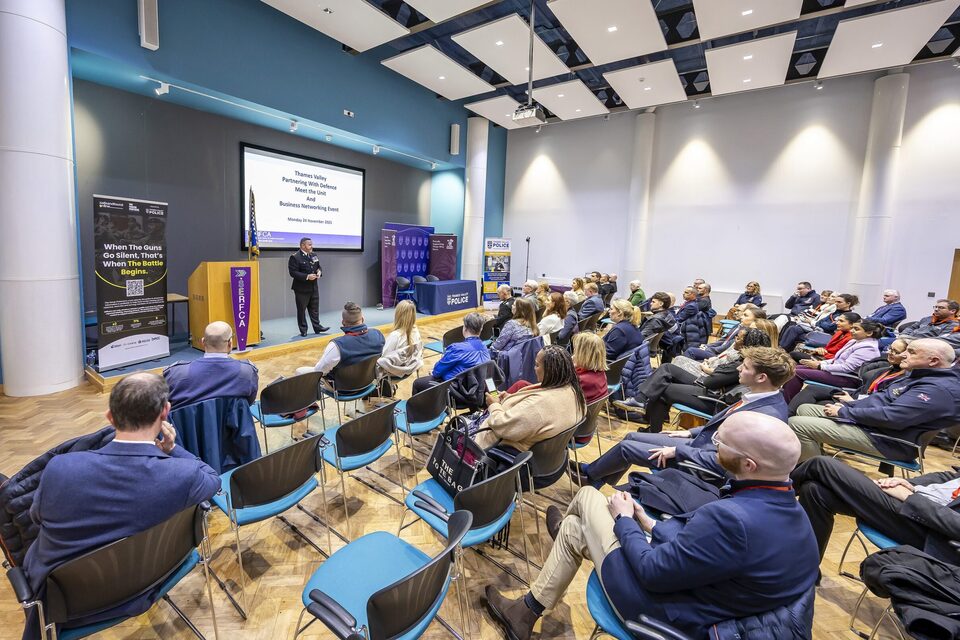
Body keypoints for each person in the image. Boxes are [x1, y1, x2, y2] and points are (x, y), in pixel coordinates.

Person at [485, 412, 819, 640]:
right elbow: (703, 552)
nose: (715, 444)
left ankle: (575, 534)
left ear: (748, 464)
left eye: (721, 443)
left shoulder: (732, 519)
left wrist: (624, 520)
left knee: (588, 496)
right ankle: (525, 612)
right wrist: (647, 522)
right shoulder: (795, 514)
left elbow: (652, 572)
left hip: (661, 613)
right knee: (576, 529)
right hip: (704, 600)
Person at [21, 374, 220, 639]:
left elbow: (36, 518)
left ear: (110, 417)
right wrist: (172, 449)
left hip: (66, 608)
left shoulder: (60, 469)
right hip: (152, 579)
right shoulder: (183, 475)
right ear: (165, 412)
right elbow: (213, 478)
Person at [572, 346, 793, 485]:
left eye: (744, 367)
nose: (738, 370)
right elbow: (720, 426)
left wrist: (678, 451)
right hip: (698, 444)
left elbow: (730, 463)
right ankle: (594, 479)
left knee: (626, 448)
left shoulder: (765, 417)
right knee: (630, 438)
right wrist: (690, 432)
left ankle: (591, 475)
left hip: (702, 463)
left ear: (761, 377)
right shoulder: (758, 397)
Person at [787, 338, 960, 462]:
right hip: (873, 425)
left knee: (797, 424)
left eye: (911, 352)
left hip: (887, 440)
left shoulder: (937, 389)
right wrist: (851, 404)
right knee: (805, 408)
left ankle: (813, 470)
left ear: (933, 361)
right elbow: (881, 399)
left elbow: (892, 417)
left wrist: (845, 412)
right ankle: (816, 456)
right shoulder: (919, 375)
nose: (903, 355)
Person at [793, 455, 960, 562]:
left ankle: (775, 497)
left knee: (821, 464)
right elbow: (952, 477)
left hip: (931, 529)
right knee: (814, 491)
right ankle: (804, 573)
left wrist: (910, 498)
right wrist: (908, 484)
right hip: (915, 499)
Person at [613, 327, 774, 424]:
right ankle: (643, 405)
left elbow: (712, 381)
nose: (735, 341)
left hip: (714, 396)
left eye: (738, 338)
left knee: (665, 380)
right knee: (666, 371)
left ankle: (645, 408)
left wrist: (709, 370)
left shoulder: (743, 364)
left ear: (747, 344)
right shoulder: (744, 360)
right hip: (713, 388)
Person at [473, 345, 585, 450]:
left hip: (493, 446)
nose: (534, 368)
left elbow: (501, 425)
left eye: (537, 365)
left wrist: (493, 405)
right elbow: (530, 413)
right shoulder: (573, 392)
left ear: (550, 370)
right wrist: (511, 398)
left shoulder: (538, 406)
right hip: (542, 453)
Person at [787, 337, 912, 414]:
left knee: (816, 403)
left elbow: (881, 402)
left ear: (907, 356)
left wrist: (853, 401)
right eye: (890, 349)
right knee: (811, 389)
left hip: (860, 403)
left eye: (896, 352)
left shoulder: (903, 378)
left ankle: (787, 418)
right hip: (856, 396)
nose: (890, 353)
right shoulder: (889, 368)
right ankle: (785, 415)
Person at [163, 320, 258, 410]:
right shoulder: (247, 372)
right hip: (233, 422)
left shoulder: (175, 374)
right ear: (230, 344)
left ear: (203, 342)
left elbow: (165, 406)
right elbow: (248, 403)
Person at [780, 319, 882, 402]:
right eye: (852, 328)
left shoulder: (868, 348)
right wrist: (820, 362)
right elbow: (836, 359)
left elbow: (847, 367)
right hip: (836, 372)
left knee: (797, 373)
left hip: (848, 378)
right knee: (795, 368)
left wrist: (820, 366)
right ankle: (783, 395)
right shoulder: (855, 341)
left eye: (856, 329)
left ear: (869, 333)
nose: (852, 331)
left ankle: (786, 402)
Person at [296, 302, 385, 378]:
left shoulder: (337, 346)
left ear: (343, 322)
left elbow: (319, 371)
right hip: (369, 382)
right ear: (362, 319)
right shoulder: (377, 334)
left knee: (299, 371)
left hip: (343, 388)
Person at [411, 313, 490, 393]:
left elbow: (437, 372)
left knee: (417, 383)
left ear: (465, 328)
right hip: (477, 390)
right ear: (481, 329)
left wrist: (435, 372)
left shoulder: (457, 348)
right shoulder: (485, 348)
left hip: (458, 390)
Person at [684, 304, 765, 361]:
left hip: (721, 355)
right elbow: (724, 340)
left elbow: (728, 347)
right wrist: (707, 346)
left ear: (756, 319)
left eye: (745, 315)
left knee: (691, 351)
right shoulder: (739, 325)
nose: (736, 313)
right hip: (719, 352)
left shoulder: (747, 333)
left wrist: (709, 349)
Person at [376, 300, 423, 391]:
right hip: (409, 368)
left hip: (393, 372)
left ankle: (384, 388)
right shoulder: (416, 331)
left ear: (398, 315)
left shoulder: (395, 336)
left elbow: (383, 359)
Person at [288, 237, 330, 336]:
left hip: (313, 287)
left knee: (314, 309)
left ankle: (317, 327)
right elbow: (293, 272)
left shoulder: (313, 255)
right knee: (302, 310)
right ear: (303, 245)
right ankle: (303, 330)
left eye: (311, 244)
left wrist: (319, 271)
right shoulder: (295, 257)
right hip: (301, 289)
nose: (312, 246)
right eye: (309, 245)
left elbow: (318, 266)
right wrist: (307, 276)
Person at [788, 311, 859, 362]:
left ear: (852, 324)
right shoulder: (839, 332)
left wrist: (824, 353)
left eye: (841, 321)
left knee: (793, 354)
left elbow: (840, 358)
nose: (837, 323)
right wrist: (821, 349)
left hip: (829, 361)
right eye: (838, 320)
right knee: (797, 348)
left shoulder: (852, 339)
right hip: (824, 356)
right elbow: (828, 348)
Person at [571, 332, 608, 403]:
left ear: (583, 354)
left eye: (576, 350)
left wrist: (570, 366)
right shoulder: (601, 372)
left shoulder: (580, 380)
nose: (574, 352)